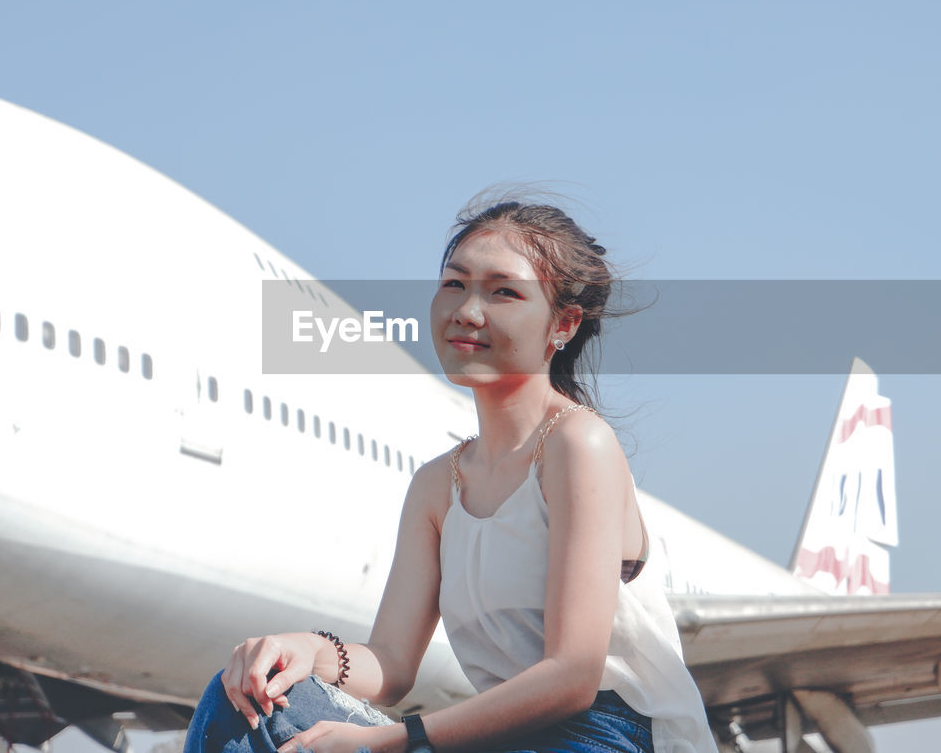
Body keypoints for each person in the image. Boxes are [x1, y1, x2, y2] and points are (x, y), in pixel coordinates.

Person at [186, 198, 717, 753]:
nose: (467, 310)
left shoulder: (578, 443)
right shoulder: (438, 485)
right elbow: (390, 665)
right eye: (454, 284)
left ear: (564, 323)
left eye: (504, 291)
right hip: (501, 733)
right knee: (245, 696)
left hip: (607, 737)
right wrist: (304, 649)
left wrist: (391, 742)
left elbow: (572, 677)